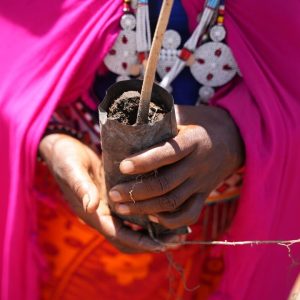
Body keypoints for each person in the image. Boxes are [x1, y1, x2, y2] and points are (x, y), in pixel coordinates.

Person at [0, 0, 300, 299]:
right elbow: (12, 52)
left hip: (230, 232)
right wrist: (52, 135)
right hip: (67, 218)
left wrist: (241, 131)